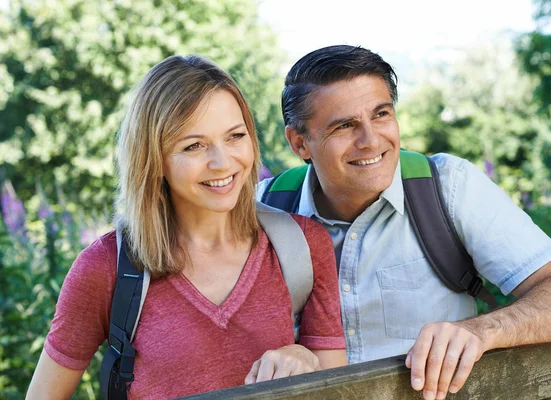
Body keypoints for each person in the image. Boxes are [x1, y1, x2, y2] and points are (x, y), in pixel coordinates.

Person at [257, 45, 551, 400]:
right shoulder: (262, 210)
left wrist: (483, 331)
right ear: (300, 143)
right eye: (345, 125)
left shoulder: (450, 187)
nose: (371, 140)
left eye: (381, 114)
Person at [26, 54, 347, 399]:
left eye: (235, 136)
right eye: (193, 145)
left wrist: (304, 357)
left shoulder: (303, 246)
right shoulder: (105, 268)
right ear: (153, 158)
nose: (222, 162)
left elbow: (341, 390)